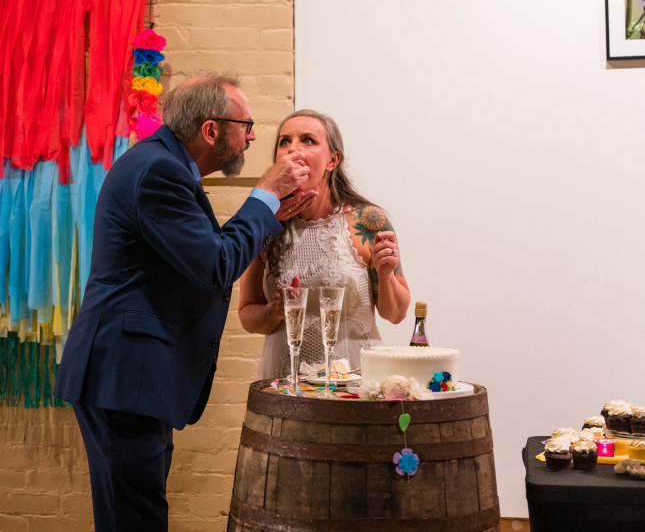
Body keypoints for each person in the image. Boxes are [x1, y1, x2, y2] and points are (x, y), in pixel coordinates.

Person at [53, 72, 310, 532]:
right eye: (245, 124)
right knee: (136, 521)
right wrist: (266, 193)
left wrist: (269, 212)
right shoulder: (159, 172)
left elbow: (204, 256)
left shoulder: (163, 165)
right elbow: (215, 265)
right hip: (125, 377)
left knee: (133, 516)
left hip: (131, 379)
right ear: (211, 130)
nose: (252, 136)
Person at [238, 109, 410, 380]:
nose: (292, 149)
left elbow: (396, 313)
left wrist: (386, 276)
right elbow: (247, 315)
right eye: (284, 141)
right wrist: (273, 312)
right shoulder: (266, 223)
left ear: (332, 160)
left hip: (354, 377)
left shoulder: (367, 220)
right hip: (286, 378)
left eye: (307, 140)